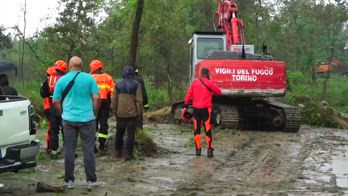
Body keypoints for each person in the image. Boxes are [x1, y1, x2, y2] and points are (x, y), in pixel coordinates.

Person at [53, 56, 102, 189]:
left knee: (69, 149)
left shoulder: (62, 80)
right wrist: (94, 113)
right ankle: (91, 181)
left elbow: (56, 101)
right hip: (87, 119)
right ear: (82, 66)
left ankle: (69, 181)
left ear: (69, 66)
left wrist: (61, 114)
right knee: (88, 150)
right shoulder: (89, 79)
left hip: (68, 119)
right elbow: (97, 98)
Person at [184, 68, 222, 158]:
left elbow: (188, 95)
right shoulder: (210, 83)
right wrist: (211, 82)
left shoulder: (194, 83)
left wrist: (186, 105)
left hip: (196, 109)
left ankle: (198, 150)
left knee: (196, 130)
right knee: (207, 130)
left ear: (201, 74)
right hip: (206, 109)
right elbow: (219, 92)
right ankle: (209, 150)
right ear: (208, 74)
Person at [112, 65, 142, 161]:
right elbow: (139, 101)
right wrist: (139, 113)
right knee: (130, 135)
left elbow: (114, 100)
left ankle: (117, 152)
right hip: (132, 114)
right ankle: (128, 154)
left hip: (120, 113)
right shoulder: (137, 85)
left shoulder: (117, 84)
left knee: (119, 133)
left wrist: (115, 112)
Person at [89, 60, 115, 152]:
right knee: (103, 124)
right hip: (105, 103)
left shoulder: (90, 77)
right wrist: (112, 106)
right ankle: (102, 145)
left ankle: (92, 147)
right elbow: (113, 93)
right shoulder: (108, 78)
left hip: (93, 103)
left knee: (93, 124)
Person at [46, 60, 67, 158]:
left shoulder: (49, 79)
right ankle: (68, 150)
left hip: (52, 107)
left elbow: (42, 93)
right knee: (66, 128)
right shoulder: (67, 79)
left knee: (54, 130)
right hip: (65, 106)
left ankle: (53, 151)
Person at [39, 66, 57, 152]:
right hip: (51, 107)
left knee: (52, 128)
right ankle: (50, 146)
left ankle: (50, 146)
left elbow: (42, 93)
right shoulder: (52, 81)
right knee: (53, 128)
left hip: (48, 107)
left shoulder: (48, 81)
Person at [133, 65, 149, 130]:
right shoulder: (140, 80)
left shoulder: (124, 80)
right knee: (139, 122)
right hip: (138, 104)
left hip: (127, 106)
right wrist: (146, 106)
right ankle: (139, 133)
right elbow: (144, 93)